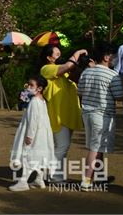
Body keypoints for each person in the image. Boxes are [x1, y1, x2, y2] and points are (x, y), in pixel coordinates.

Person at [77, 46, 123, 191]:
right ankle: (86, 180)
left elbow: (79, 91)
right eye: (114, 56)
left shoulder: (86, 71)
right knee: (95, 148)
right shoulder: (112, 75)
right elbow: (119, 96)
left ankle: (100, 176)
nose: (115, 59)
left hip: (87, 113)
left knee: (98, 147)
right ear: (106, 57)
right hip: (103, 115)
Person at [39, 45, 86, 182]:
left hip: (67, 114)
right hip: (57, 114)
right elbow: (66, 66)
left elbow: (74, 73)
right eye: (57, 54)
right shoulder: (47, 69)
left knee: (61, 146)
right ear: (49, 58)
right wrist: (77, 52)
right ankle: (55, 176)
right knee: (62, 146)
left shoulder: (64, 73)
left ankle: (51, 174)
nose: (60, 56)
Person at [9, 75, 55, 191]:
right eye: (28, 85)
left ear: (39, 88)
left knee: (28, 155)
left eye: (31, 85)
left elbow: (33, 120)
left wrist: (29, 135)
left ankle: (23, 182)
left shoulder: (34, 101)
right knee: (38, 155)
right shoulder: (41, 100)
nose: (28, 87)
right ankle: (39, 179)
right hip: (42, 133)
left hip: (34, 133)